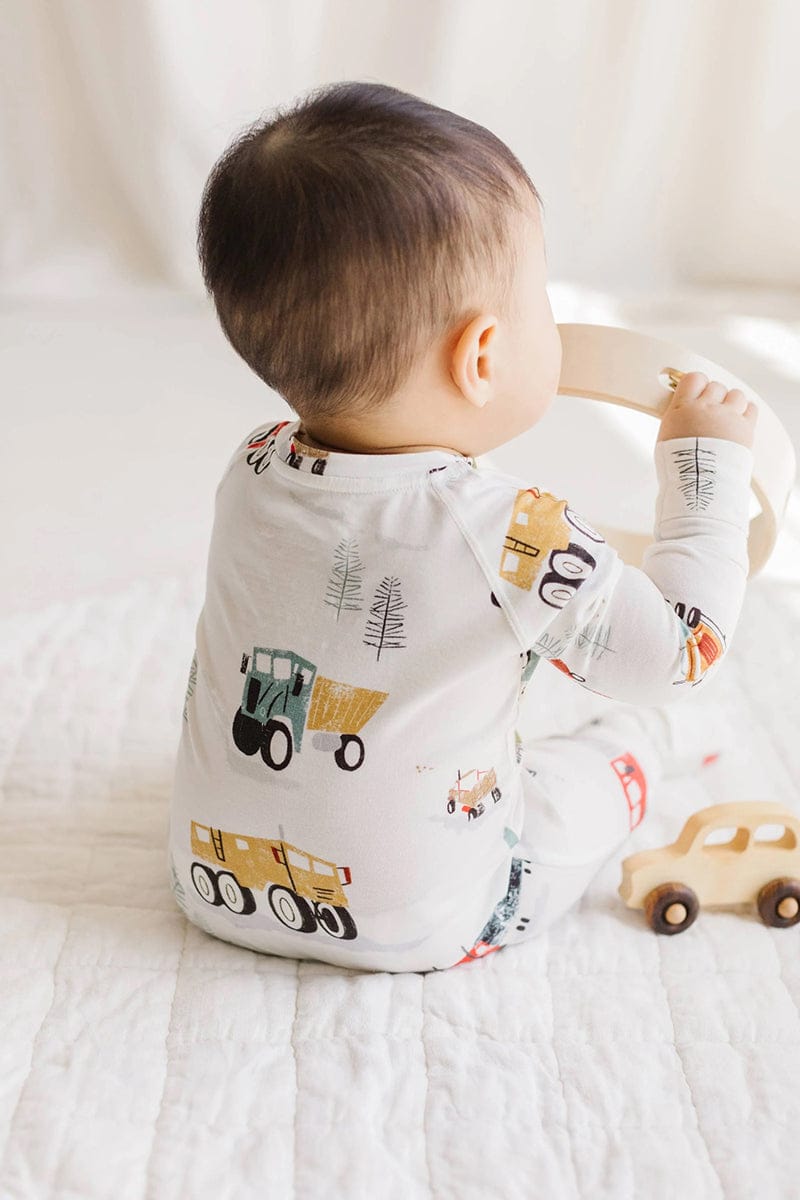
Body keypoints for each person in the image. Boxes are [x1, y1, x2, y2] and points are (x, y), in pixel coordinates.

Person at [167, 81, 758, 971]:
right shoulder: (515, 535)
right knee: (581, 784)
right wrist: (705, 470)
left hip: (212, 881)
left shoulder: (251, 469)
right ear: (481, 356)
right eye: (540, 294)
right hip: (435, 919)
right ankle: (654, 753)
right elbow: (678, 653)